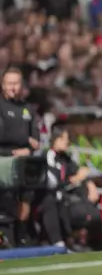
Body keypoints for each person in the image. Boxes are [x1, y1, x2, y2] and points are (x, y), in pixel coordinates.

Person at [0, 66, 40, 246]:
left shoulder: (28, 109)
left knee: (24, 208)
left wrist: (29, 149)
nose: (13, 87)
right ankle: (8, 241)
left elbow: (37, 140)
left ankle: (21, 239)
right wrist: (24, 140)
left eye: (16, 83)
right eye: (9, 83)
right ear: (2, 85)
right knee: (8, 204)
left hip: (24, 163)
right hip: (4, 161)